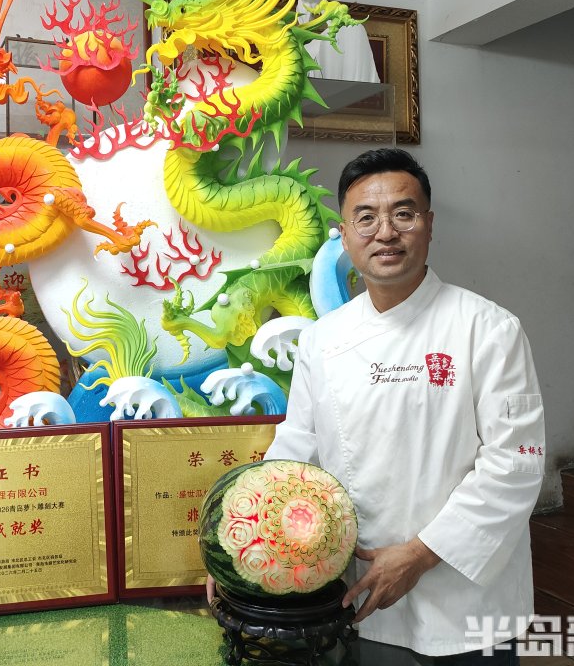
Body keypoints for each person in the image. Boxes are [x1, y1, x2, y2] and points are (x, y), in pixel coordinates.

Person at [211, 148, 544, 665]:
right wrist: (244, 546)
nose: (385, 232)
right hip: (358, 592)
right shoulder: (323, 340)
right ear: (344, 235)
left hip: (465, 598)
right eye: (365, 218)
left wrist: (419, 555)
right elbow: (296, 453)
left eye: (403, 214)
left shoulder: (488, 328)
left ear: (428, 224)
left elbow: (515, 464)